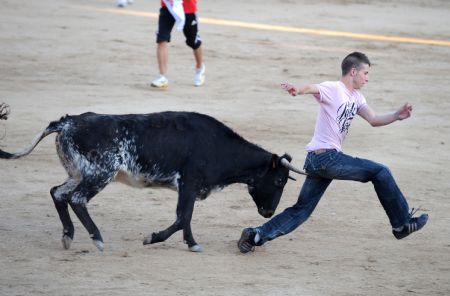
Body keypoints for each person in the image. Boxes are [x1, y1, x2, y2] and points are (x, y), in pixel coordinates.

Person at [237, 52, 429, 253]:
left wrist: (397, 116)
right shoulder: (334, 88)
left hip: (319, 161)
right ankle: (401, 224)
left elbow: (374, 119)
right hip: (326, 158)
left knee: (301, 210)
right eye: (365, 73)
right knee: (380, 172)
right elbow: (312, 88)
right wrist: (298, 90)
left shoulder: (357, 97)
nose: (367, 78)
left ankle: (254, 235)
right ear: (353, 71)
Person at [151, 0, 205, 88]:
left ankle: (199, 68)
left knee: (193, 42)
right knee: (161, 39)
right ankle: (162, 77)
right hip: (168, 7)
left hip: (188, 8)